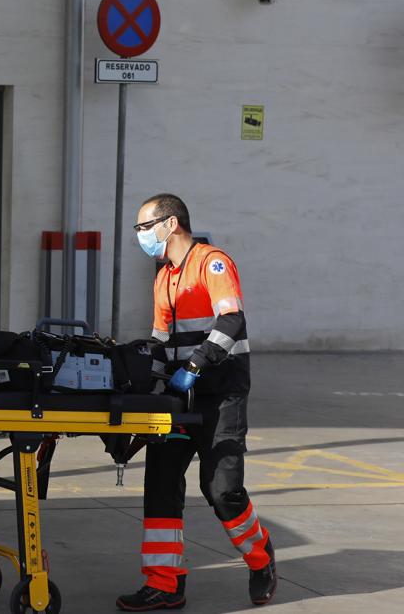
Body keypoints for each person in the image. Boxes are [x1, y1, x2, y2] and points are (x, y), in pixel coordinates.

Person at [116, 194, 278, 611]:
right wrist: (132, 364)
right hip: (179, 397)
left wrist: (196, 363)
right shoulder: (164, 276)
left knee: (222, 491)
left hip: (221, 393)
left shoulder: (212, 262)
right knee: (161, 485)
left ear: (170, 224)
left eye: (143, 227)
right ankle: (164, 583)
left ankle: (261, 558)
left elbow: (231, 320)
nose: (140, 235)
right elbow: (160, 338)